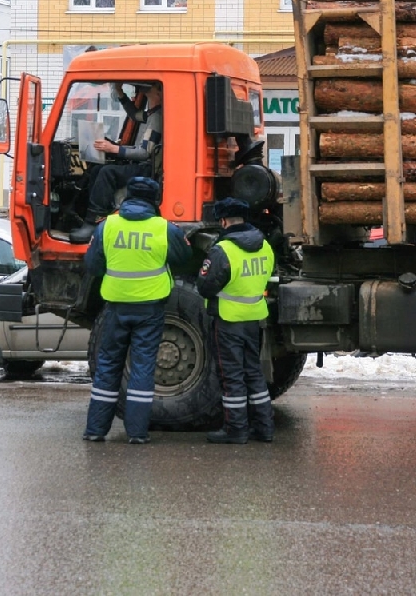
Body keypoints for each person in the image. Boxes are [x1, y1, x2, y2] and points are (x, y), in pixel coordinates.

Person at [82, 176, 191, 444]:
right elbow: (184, 259)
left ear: (127, 197)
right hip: (150, 309)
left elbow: (92, 265)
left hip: (116, 307)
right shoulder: (165, 229)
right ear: (155, 200)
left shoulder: (107, 226)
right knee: (142, 367)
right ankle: (137, 433)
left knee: (108, 365)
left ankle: (95, 430)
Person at [196, 198, 275, 444]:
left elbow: (205, 286)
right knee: (254, 373)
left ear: (223, 221)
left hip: (228, 320)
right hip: (253, 319)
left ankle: (236, 430)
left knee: (232, 376)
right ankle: (264, 428)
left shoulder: (223, 250)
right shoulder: (265, 246)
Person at [69, 82, 164, 243]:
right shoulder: (152, 114)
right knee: (97, 169)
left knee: (108, 172)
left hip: (146, 168)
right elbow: (134, 115)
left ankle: (94, 221)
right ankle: (88, 216)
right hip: (142, 165)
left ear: (160, 94)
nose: (145, 91)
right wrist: (120, 93)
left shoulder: (157, 118)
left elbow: (144, 153)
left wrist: (114, 148)